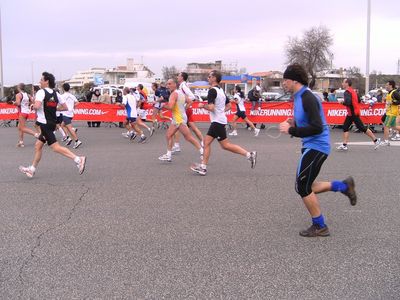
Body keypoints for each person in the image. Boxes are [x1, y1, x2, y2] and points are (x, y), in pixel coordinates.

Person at [279, 64, 357, 237]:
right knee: (306, 185)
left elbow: (316, 128)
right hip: (311, 146)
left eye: (285, 80)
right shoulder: (298, 97)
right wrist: (294, 123)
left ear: (294, 81)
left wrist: (291, 130)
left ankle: (320, 225)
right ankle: (343, 186)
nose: (283, 83)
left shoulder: (307, 97)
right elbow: (308, 123)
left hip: (317, 146)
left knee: (302, 186)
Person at [19, 72, 86, 178]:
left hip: (45, 125)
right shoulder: (56, 94)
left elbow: (37, 105)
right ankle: (32, 169)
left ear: (46, 81)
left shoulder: (41, 92)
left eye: (41, 79)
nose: (40, 81)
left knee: (55, 147)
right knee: (38, 146)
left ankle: (78, 159)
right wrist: (53, 108)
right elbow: (65, 107)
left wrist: (32, 105)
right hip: (52, 123)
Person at [190, 70, 257, 176]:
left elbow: (211, 108)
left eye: (209, 76)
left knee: (216, 144)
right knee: (218, 144)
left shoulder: (212, 91)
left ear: (214, 78)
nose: (208, 78)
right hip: (220, 120)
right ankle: (249, 155)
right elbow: (229, 106)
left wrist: (203, 106)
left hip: (217, 122)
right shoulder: (221, 90)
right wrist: (220, 112)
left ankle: (203, 167)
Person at [158, 79, 203, 162]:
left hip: (178, 118)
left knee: (188, 137)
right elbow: (190, 101)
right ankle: (168, 155)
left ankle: (202, 151)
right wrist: (183, 109)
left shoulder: (173, 94)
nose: (168, 86)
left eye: (170, 84)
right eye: (167, 84)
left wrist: (163, 106)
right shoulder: (180, 92)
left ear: (175, 84)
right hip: (179, 117)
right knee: (169, 135)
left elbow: (170, 107)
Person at [336, 78, 382, 151]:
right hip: (352, 113)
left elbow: (348, 102)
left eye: (343, 82)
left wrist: (342, 102)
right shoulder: (353, 91)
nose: (342, 84)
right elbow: (359, 100)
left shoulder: (347, 92)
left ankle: (376, 140)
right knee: (345, 127)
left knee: (362, 128)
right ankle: (344, 145)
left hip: (353, 113)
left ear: (347, 83)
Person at [172, 72, 204, 152]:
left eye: (178, 76)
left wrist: (184, 104)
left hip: (184, 109)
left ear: (182, 77)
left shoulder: (183, 86)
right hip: (186, 109)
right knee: (192, 128)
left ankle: (176, 146)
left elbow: (192, 96)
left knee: (176, 126)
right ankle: (203, 143)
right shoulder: (182, 85)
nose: (177, 77)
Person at [13, 83, 39, 147]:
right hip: (27, 112)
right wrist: (27, 104)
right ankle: (21, 142)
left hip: (22, 112)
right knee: (20, 127)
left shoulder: (18, 95)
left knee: (22, 128)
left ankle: (36, 134)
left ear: (19, 88)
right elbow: (33, 102)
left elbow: (18, 103)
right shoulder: (28, 95)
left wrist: (14, 103)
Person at [60, 83, 82, 149]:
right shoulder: (72, 96)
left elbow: (60, 104)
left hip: (65, 113)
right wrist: (72, 106)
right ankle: (68, 137)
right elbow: (78, 102)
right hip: (71, 113)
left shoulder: (62, 96)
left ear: (63, 88)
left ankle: (77, 141)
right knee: (62, 125)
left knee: (69, 128)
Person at [381, 80, 400, 145]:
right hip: (389, 112)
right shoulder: (389, 93)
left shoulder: (394, 92)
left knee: (386, 126)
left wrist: (392, 102)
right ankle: (386, 141)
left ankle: (386, 141)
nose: (385, 86)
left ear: (390, 85)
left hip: (392, 113)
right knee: (394, 127)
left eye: (387, 85)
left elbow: (399, 101)